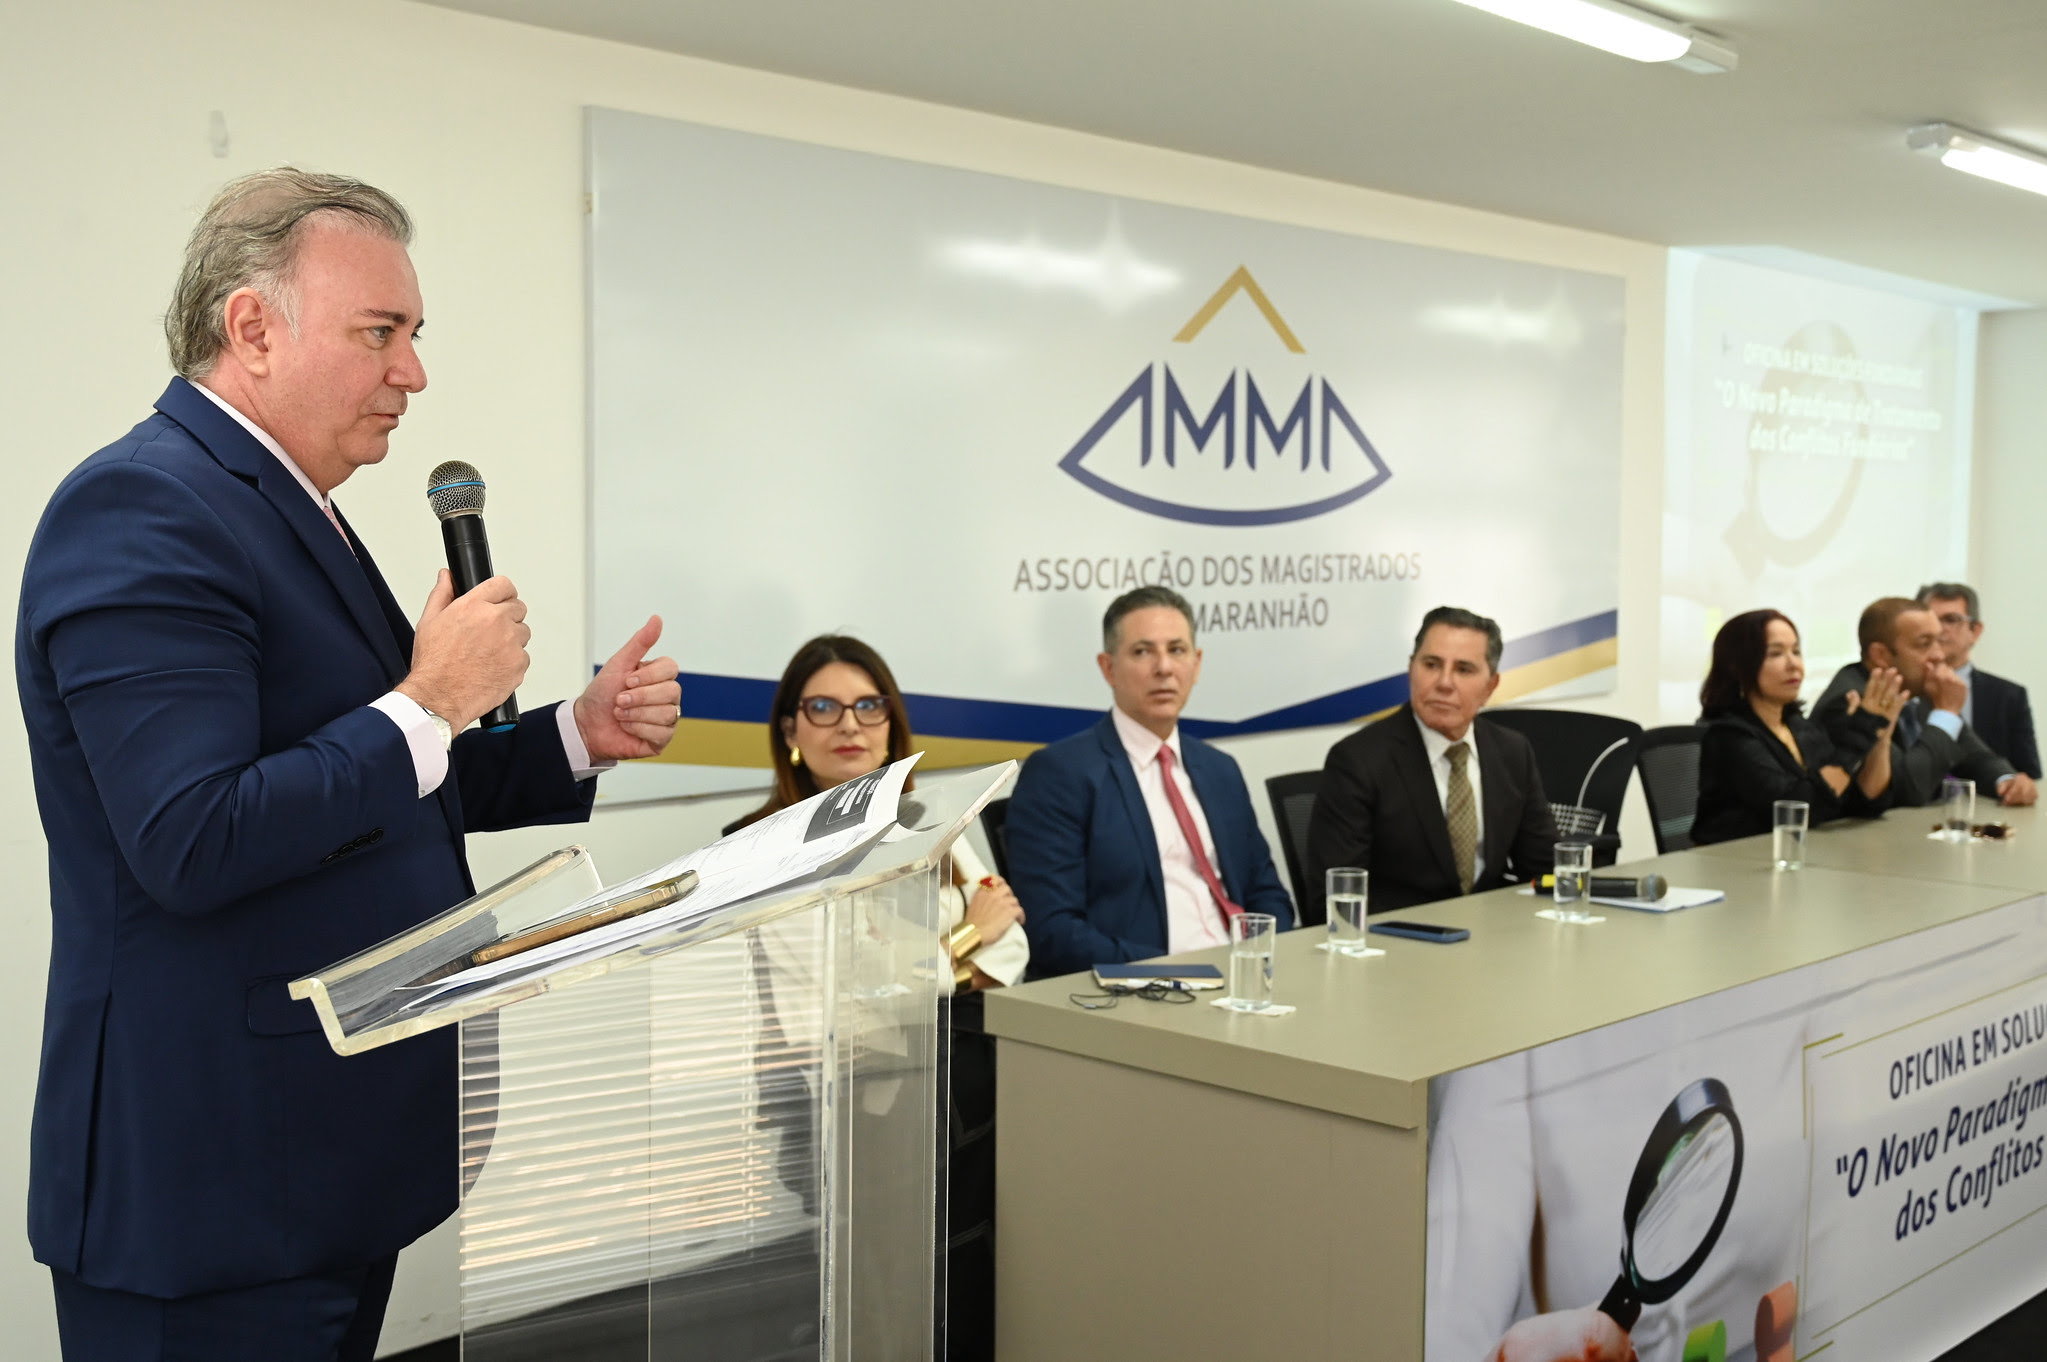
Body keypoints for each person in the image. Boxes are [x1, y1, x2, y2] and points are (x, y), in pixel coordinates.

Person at [15, 169, 683, 1361]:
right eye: (382, 332)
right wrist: (432, 698)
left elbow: (379, 793)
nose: (413, 372)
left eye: (415, 335)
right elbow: (195, 837)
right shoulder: (141, 508)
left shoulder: (291, 505)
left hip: (321, 1162)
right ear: (253, 328)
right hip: (214, 1190)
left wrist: (573, 733)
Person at [727, 635, 1024, 1362]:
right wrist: (959, 950)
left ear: (892, 726)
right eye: (823, 708)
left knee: (987, 1265)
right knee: (905, 1298)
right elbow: (831, 1008)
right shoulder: (763, 853)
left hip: (954, 1082)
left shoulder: (931, 826)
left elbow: (1012, 947)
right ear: (790, 732)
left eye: (868, 706)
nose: (849, 725)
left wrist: (920, 972)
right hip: (850, 1104)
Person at [1005, 585, 1294, 978]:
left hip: (1243, 980)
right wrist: (1181, 972)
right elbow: (1052, 931)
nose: (1164, 668)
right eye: (1142, 652)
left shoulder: (1219, 769)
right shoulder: (1061, 774)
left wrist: (1254, 957)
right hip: (1144, 989)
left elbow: (1267, 893)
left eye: (1177, 650)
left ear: (1197, 663)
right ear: (1108, 668)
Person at [1306, 606, 1557, 917]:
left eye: (1464, 669)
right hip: (1399, 947)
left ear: (1490, 686)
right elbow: (1333, 901)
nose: (1444, 683)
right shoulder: (1358, 761)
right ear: (1412, 669)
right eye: (1431, 665)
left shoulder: (1511, 752)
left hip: (1491, 942)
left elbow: (1545, 869)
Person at [1691, 610, 1903, 845]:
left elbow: (1864, 803)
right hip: (1733, 867)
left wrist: (1880, 737)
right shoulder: (1728, 736)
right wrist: (1858, 735)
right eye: (1776, 653)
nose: (1794, 664)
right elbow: (1798, 809)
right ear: (1736, 666)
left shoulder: (1800, 727)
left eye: (1796, 651)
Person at [1814, 597, 2037, 809]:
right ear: (1881, 654)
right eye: (1924, 644)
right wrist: (1946, 712)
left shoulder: (1916, 692)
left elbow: (1975, 756)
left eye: (1939, 641)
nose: (1939, 655)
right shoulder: (1849, 701)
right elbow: (1908, 788)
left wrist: (2007, 780)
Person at [1916, 582, 2041, 779]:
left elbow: (2028, 774)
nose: (1939, 629)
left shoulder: (2009, 696)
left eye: (1951, 619)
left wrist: (2013, 784)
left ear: (1975, 631)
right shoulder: (1903, 688)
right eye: (1930, 619)